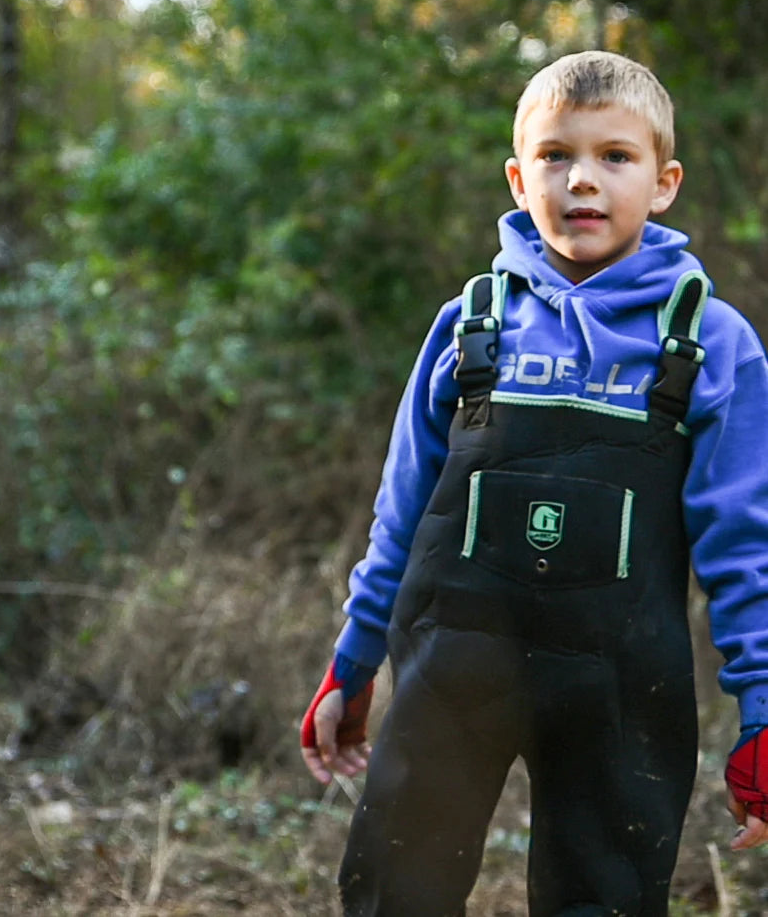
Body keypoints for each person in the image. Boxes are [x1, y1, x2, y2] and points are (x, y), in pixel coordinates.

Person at [299, 50, 768, 917]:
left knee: (609, 900)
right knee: (392, 890)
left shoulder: (709, 343)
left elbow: (745, 549)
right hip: (452, 676)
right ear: (520, 179)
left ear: (664, 184)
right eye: (556, 155)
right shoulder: (468, 324)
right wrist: (352, 663)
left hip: (622, 693)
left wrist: (764, 710)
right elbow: (399, 511)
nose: (582, 180)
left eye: (614, 157)